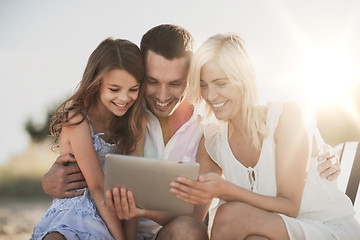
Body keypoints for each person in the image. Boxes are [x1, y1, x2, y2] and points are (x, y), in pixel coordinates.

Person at [42, 25, 341, 240]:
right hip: (112, 230)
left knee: (190, 230)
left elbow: (196, 216)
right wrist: (50, 179)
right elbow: (86, 138)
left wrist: (321, 149)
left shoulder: (210, 126)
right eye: (152, 81)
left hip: (171, 233)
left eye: (176, 83)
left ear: (192, 77)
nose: (162, 95)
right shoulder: (126, 112)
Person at [170, 33, 360, 239]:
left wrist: (226, 190)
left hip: (324, 228)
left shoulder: (286, 117)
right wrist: (143, 211)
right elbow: (193, 216)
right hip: (266, 230)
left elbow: (290, 207)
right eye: (204, 85)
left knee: (230, 214)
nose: (210, 95)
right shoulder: (214, 140)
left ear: (244, 80)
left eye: (221, 83)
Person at [32, 38, 146, 240]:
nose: (124, 98)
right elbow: (97, 187)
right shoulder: (78, 120)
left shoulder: (135, 122)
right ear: (96, 83)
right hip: (76, 213)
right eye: (114, 89)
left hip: (113, 216)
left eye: (133, 89)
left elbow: (132, 187)